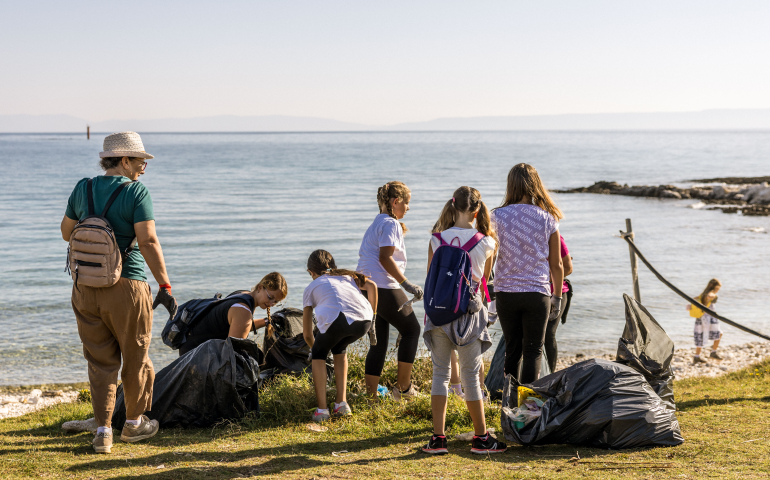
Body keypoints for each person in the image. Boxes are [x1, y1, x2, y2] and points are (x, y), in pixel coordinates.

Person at [60, 132, 177, 454]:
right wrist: (165, 285)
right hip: (127, 284)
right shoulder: (136, 191)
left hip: (85, 285)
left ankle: (102, 431)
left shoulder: (83, 187)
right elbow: (149, 241)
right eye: (140, 161)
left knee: (99, 361)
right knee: (136, 357)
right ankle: (134, 424)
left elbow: (66, 232)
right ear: (124, 160)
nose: (143, 167)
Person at [421, 186, 506, 455]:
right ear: (477, 210)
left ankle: (437, 439)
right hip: (469, 315)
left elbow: (430, 281)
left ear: (453, 206)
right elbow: (484, 284)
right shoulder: (487, 242)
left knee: (440, 375)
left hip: (438, 316)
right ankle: (481, 438)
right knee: (470, 377)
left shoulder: (436, 239)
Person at [491, 163, 564, 384]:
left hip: (505, 291)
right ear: (536, 185)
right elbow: (557, 264)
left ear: (510, 185)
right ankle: (529, 404)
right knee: (533, 350)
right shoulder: (548, 218)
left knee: (512, 349)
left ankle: (509, 400)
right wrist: (558, 297)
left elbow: (488, 256)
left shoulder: (495, 216)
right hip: (537, 292)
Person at [357, 181, 423, 400]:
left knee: (379, 343)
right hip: (383, 287)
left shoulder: (376, 222)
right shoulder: (391, 224)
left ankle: (371, 395)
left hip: (367, 288)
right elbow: (384, 258)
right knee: (412, 330)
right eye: (407, 203)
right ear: (396, 202)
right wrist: (406, 284)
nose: (408, 208)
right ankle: (403, 389)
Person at [302, 250, 378, 422]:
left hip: (339, 319)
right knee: (339, 347)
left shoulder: (311, 287)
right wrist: (373, 319)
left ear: (310, 272)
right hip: (364, 320)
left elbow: (307, 334)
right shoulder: (347, 277)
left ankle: (322, 410)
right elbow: (372, 286)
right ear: (333, 266)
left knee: (319, 354)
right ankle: (341, 405)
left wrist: (317, 351)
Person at [177, 272, 288, 356]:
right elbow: (233, 352)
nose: (271, 303)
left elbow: (239, 326)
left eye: (276, 302)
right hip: (196, 355)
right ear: (260, 287)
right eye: (270, 297)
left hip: (189, 347)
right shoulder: (243, 311)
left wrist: (267, 321)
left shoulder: (242, 295)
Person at [543, 235, 573, 372]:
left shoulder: (555, 237)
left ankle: (550, 373)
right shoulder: (524, 234)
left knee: (548, 334)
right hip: (532, 294)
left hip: (557, 292)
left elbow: (568, 268)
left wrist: (546, 278)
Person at [688, 278, 723, 364]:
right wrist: (711, 296)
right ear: (716, 287)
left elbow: (694, 300)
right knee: (719, 334)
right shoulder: (711, 294)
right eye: (718, 289)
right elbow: (711, 295)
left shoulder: (702, 294)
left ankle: (697, 357)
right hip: (709, 319)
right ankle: (713, 352)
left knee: (700, 335)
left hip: (700, 318)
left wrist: (690, 306)